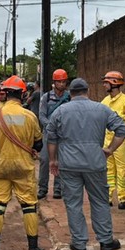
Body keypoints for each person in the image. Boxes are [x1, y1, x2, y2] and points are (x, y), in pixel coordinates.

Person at [47, 78, 125, 250]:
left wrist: (53, 160)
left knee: (73, 204)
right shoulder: (102, 109)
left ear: (70, 93)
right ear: (87, 91)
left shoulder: (60, 111)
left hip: (69, 164)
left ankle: (79, 243)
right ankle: (106, 241)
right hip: (95, 163)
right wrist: (110, 149)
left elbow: (51, 137)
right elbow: (122, 129)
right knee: (100, 201)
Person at [0, 76, 45, 250]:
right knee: (29, 205)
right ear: (23, 94)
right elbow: (38, 144)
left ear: (5, 93)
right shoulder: (30, 116)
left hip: (1, 167)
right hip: (23, 167)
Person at [100, 71, 125, 209]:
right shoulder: (105, 101)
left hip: (122, 141)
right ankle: (107, 196)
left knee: (123, 170)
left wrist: (116, 115)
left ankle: (122, 198)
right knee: (107, 170)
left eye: (106, 82)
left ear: (114, 83)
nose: (104, 85)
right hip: (107, 139)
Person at [38, 69, 70, 200]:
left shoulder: (69, 97)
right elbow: (41, 116)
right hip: (49, 134)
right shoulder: (46, 97)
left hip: (63, 134)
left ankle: (58, 189)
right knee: (45, 160)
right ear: (54, 82)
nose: (61, 84)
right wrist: (51, 127)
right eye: (59, 82)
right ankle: (42, 188)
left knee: (61, 161)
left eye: (63, 82)